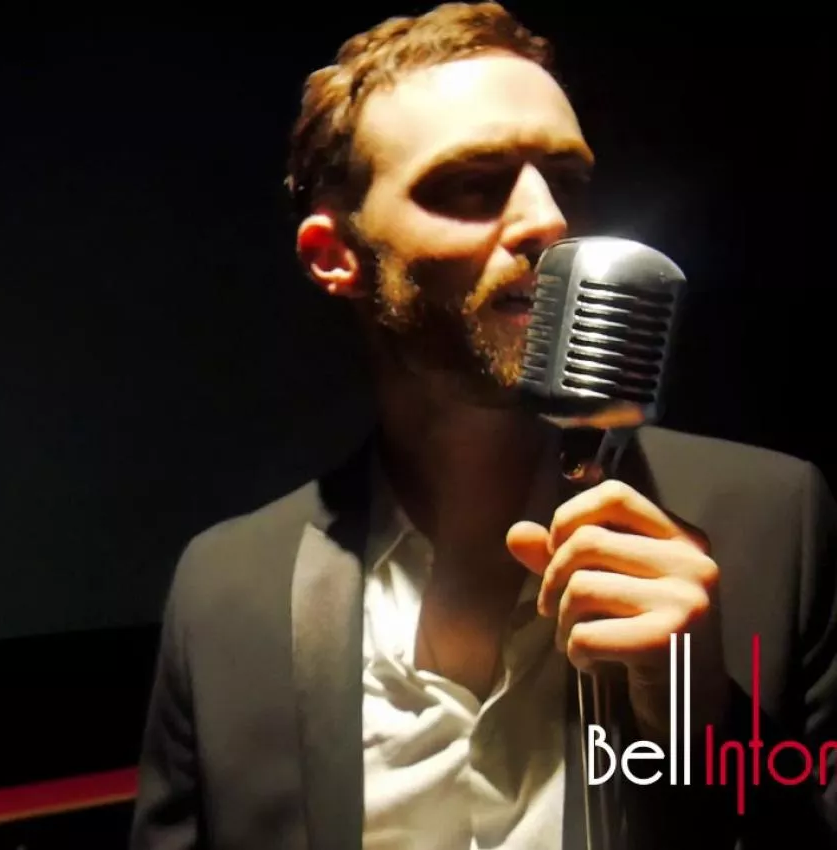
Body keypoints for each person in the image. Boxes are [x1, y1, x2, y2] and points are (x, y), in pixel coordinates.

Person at [128, 4, 837, 849]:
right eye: (472, 183)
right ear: (335, 255)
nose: (549, 221)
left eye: (566, 180)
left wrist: (696, 718)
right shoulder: (223, 591)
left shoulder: (772, 523)